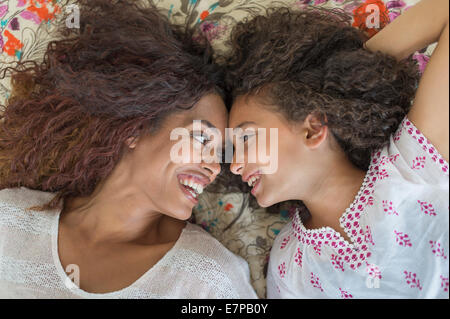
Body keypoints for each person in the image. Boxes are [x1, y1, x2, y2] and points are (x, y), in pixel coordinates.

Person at [0, 0, 257, 298]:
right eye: (202, 139)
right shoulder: (8, 220)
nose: (214, 168)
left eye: (219, 154)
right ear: (135, 129)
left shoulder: (208, 280)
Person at [225, 0, 448, 298]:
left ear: (313, 128)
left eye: (246, 138)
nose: (234, 165)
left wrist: (349, 76)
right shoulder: (287, 264)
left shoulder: (411, 164)